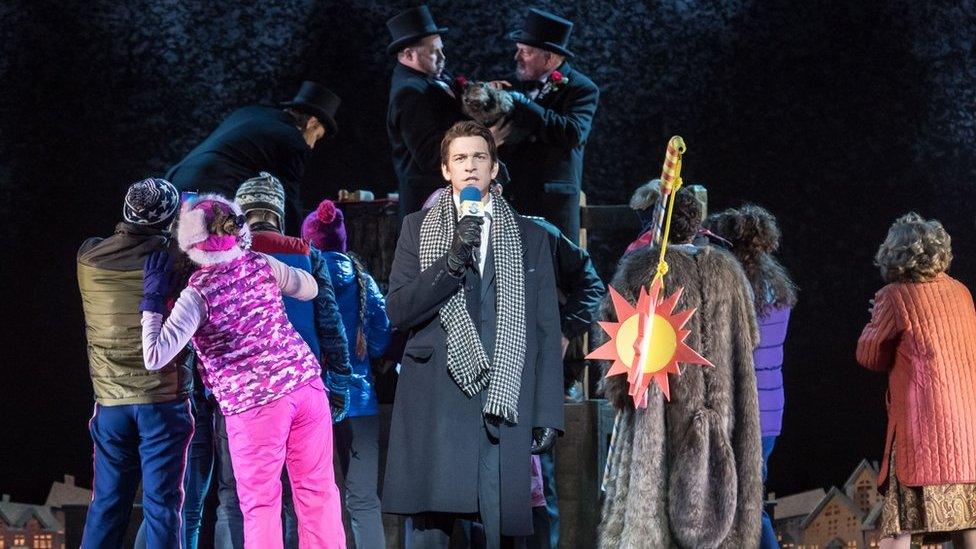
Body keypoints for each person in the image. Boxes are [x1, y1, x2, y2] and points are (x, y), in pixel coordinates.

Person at [383, 121, 564, 548]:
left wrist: (548, 412)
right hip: (437, 400)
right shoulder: (415, 227)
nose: (469, 166)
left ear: (494, 168)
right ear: (446, 170)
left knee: (495, 528)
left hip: (499, 403)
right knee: (433, 535)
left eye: (479, 157)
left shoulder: (530, 236)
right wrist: (451, 261)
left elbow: (544, 326)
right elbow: (399, 309)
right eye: (460, 158)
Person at [140, 194, 345, 549]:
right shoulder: (260, 262)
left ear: (191, 243)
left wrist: (152, 304)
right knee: (318, 493)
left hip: (255, 407)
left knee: (261, 505)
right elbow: (310, 289)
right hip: (305, 388)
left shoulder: (197, 294)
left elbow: (155, 355)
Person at [598, 187, 763, 548]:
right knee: (722, 504)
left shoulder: (642, 269)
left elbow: (616, 342)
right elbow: (750, 337)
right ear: (696, 223)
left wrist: (621, 395)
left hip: (659, 410)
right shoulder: (730, 273)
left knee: (655, 500)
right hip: (724, 409)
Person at [196, 173, 350, 548]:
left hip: (245, 399)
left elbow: (199, 326)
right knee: (313, 493)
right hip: (304, 387)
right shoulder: (307, 253)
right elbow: (330, 322)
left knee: (242, 498)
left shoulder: (223, 262)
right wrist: (340, 383)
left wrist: (208, 390)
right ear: (278, 213)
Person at [77, 178, 193, 549]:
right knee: (161, 507)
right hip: (162, 401)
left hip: (110, 403)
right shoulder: (177, 261)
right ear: (169, 220)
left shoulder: (88, 258)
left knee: (107, 505)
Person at [856, 213, 976, 549]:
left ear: (895, 255)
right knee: (966, 523)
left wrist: (873, 322)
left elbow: (870, 357)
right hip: (965, 432)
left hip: (921, 432)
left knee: (899, 528)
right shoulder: (962, 293)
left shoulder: (894, 296)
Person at [706, 205, 798, 549]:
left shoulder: (737, 289)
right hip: (771, 408)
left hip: (744, 408)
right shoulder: (777, 288)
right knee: (748, 496)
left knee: (744, 502)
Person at [303, 198, 393, 549]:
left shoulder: (298, 279)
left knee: (310, 498)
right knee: (363, 499)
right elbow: (381, 341)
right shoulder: (364, 281)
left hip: (311, 404)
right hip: (360, 403)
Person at [166, 81, 341, 236]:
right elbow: (288, 202)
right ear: (311, 122)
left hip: (177, 182)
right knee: (211, 254)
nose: (312, 145)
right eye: (316, 136)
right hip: (212, 190)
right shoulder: (293, 141)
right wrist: (299, 246)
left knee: (177, 245)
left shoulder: (249, 112)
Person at [495, 8, 600, 244]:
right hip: (513, 198)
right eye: (518, 50)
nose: (517, 58)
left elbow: (572, 133)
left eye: (526, 52)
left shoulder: (581, 89)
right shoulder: (512, 85)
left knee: (556, 272)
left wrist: (523, 104)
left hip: (553, 205)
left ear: (549, 58)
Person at [386, 5, 466, 221]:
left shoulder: (427, 81)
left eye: (441, 49)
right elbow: (431, 155)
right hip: (430, 204)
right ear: (409, 54)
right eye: (434, 51)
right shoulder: (410, 91)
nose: (443, 57)